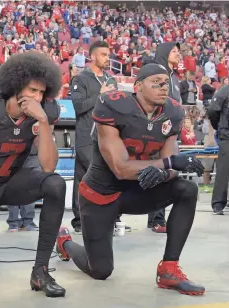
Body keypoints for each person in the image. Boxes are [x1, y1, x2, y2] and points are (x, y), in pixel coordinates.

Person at [56, 64, 205, 296]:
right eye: (155, 82)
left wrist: (165, 171)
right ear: (137, 86)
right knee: (101, 270)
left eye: (165, 82)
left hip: (137, 192)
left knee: (187, 189)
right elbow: (120, 168)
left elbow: (170, 163)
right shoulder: (113, 104)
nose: (163, 87)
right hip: (101, 195)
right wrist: (167, 165)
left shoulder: (172, 112)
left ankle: (169, 269)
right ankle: (65, 243)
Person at [0, 52, 66, 298]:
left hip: (13, 182)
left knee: (55, 184)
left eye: (42, 92)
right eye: (32, 90)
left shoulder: (45, 111)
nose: (37, 97)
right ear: (16, 86)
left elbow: (48, 167)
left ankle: (41, 270)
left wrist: (44, 122)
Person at [70, 41, 129, 234]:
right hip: (86, 135)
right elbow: (78, 107)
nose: (107, 59)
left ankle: (110, 218)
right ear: (93, 56)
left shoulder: (110, 79)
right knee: (89, 177)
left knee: (105, 174)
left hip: (106, 135)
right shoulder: (81, 78)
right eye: (104, 55)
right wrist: (100, 95)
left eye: (108, 55)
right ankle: (82, 220)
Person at [148, 42, 181, 233]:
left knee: (166, 172)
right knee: (160, 171)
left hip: (171, 132)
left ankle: (155, 217)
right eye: (174, 51)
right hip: (157, 130)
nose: (178, 54)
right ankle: (157, 219)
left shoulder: (174, 78)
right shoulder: (156, 73)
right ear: (165, 53)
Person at [208, 85, 229, 215]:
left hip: (225, 133)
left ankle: (219, 204)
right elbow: (212, 111)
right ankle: (218, 203)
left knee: (223, 169)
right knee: (223, 170)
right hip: (227, 135)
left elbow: (212, 111)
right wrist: (220, 128)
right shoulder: (224, 91)